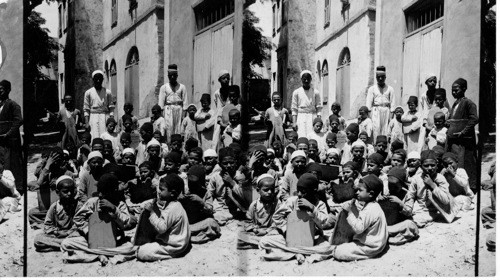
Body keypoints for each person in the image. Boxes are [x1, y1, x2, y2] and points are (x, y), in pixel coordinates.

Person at [61, 174, 136, 264]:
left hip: (114, 240)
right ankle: (102, 254)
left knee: (131, 247)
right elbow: (78, 218)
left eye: (104, 192)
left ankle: (95, 254)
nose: (100, 195)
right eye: (99, 191)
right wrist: (89, 231)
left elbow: (126, 224)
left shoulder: (120, 204)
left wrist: (114, 210)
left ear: (114, 191)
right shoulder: (93, 202)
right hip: (91, 240)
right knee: (66, 243)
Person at [259, 173, 333, 263]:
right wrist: (286, 229)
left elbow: (323, 222)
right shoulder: (292, 200)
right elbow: (277, 216)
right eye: (298, 190)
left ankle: (293, 252)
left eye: (303, 191)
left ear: (314, 190)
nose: (299, 194)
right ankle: (299, 253)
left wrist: (312, 208)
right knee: (264, 241)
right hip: (290, 238)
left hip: (313, 238)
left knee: (327, 247)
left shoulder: (320, 204)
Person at [136, 173, 191, 261]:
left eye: (162, 189)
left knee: (141, 252)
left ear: (172, 193)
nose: (158, 191)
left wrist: (151, 212)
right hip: (176, 241)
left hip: (175, 246)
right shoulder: (172, 204)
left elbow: (162, 228)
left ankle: (170, 253)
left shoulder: (173, 208)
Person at [332, 174, 388, 261]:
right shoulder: (372, 205)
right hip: (377, 242)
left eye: (360, 190)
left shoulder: (370, 209)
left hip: (371, 247)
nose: (357, 192)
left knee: (338, 251)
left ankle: (367, 254)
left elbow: (359, 229)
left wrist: (349, 212)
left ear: (371, 194)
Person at [33, 176, 82, 252]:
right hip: (58, 235)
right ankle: (66, 246)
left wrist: (67, 233)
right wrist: (56, 232)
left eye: (71, 191)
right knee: (37, 240)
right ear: (57, 192)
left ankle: (61, 246)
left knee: (83, 237)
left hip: (73, 235)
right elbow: (47, 225)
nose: (69, 194)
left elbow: (80, 225)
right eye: (65, 191)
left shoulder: (78, 205)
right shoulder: (54, 207)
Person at [403, 150, 452, 227]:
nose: (430, 168)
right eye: (426, 165)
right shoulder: (416, 179)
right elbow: (411, 195)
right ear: (421, 166)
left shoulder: (440, 178)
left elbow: (445, 201)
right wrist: (408, 208)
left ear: (437, 165)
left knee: (413, 222)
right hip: (417, 208)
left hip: (432, 211)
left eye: (432, 165)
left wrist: (432, 185)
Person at [447, 78, 479, 191]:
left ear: (464, 89)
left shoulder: (468, 103)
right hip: (456, 141)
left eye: (456, 90)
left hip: (466, 141)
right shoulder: (456, 103)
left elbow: (474, 119)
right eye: (452, 90)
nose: (454, 93)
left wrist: (463, 131)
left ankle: (472, 187)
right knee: (458, 162)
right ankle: (460, 187)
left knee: (468, 162)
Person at [178, 165, 221, 244]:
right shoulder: (184, 190)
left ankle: (187, 235)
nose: (191, 184)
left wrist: (201, 201)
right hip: (184, 223)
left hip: (197, 223)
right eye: (189, 181)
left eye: (194, 182)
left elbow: (210, 210)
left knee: (212, 223)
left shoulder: (206, 193)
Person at [204, 147, 247, 225]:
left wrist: (232, 182)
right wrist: (209, 205)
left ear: (236, 162)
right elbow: (209, 193)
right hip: (219, 206)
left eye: (231, 162)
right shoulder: (215, 177)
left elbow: (244, 195)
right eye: (225, 163)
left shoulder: (240, 176)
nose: (229, 165)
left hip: (235, 207)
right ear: (220, 164)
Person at [378, 167, 419, 245]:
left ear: (402, 184)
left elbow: (409, 212)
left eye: (395, 186)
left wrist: (400, 202)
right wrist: (378, 199)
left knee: (410, 225)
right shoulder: (385, 190)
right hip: (384, 223)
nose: (392, 188)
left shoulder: (407, 195)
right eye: (390, 185)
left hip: (397, 224)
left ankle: (388, 236)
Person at [238, 174, 280, 249]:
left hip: (271, 231)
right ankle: (265, 243)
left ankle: (259, 243)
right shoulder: (254, 205)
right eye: (266, 190)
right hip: (257, 232)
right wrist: (254, 229)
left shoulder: (277, 203)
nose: (270, 192)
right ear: (258, 190)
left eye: (272, 189)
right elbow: (248, 221)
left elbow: (279, 221)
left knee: (281, 235)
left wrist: (267, 231)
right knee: (240, 237)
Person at [0, 80, 23, 195]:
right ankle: (4, 189)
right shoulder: (0, 105)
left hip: (11, 142)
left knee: (12, 164)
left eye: (2, 89)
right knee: (3, 164)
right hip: (2, 141)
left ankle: (16, 188)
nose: (0, 92)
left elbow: (18, 121)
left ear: (8, 90)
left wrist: (8, 134)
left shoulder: (13, 105)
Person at [158, 64, 188, 141]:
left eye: (174, 75)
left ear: (177, 76)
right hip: (168, 111)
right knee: (169, 129)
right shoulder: (164, 87)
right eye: (170, 75)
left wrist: (183, 117)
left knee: (178, 129)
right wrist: (162, 117)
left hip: (179, 110)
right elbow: (161, 104)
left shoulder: (182, 87)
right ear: (168, 76)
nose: (172, 77)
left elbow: (185, 103)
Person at [366, 66, 395, 142]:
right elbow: (368, 104)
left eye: (382, 77)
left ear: (385, 77)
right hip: (376, 111)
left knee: (386, 129)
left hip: (386, 111)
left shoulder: (390, 89)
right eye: (378, 77)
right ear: (376, 77)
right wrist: (369, 116)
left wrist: (391, 116)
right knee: (376, 129)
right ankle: (376, 147)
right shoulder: (372, 89)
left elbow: (393, 103)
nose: (380, 79)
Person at [83, 70, 115, 140]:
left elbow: (111, 108)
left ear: (102, 80)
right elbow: (86, 109)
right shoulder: (88, 92)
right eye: (96, 79)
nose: (98, 81)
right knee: (94, 136)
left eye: (100, 79)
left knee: (105, 136)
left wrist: (111, 119)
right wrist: (86, 122)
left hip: (104, 116)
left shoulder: (108, 92)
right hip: (93, 117)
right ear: (93, 80)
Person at [291, 70, 322, 138]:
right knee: (301, 136)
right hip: (301, 117)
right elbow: (294, 109)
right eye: (304, 79)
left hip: (312, 116)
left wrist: (319, 120)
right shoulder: (296, 92)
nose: (306, 81)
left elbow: (318, 108)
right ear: (301, 79)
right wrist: (294, 122)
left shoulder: (315, 92)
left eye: (308, 79)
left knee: (313, 136)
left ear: (311, 79)